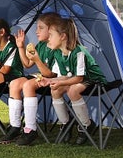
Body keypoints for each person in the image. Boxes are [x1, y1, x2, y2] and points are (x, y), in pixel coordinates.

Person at [38, 18, 107, 146]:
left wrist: (60, 82)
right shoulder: (58, 53)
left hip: (93, 79)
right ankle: (66, 123)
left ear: (63, 36)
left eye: (51, 35)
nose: (49, 38)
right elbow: (64, 76)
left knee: (72, 89)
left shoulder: (78, 52)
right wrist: (49, 80)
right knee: (55, 89)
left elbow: (79, 78)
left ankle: (87, 125)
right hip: (75, 79)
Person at [1, 12, 62, 145]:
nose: (36, 31)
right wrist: (21, 47)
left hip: (54, 79)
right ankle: (15, 126)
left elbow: (51, 74)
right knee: (15, 83)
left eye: (40, 28)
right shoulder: (40, 45)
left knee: (28, 85)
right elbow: (27, 64)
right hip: (41, 76)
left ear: (51, 29)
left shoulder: (57, 46)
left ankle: (30, 129)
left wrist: (37, 60)